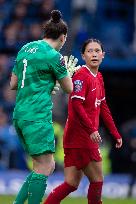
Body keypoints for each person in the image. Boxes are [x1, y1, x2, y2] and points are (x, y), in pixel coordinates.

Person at [44, 39, 123, 204]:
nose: (94, 54)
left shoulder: (98, 77)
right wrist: (91, 130)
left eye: (97, 51)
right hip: (82, 137)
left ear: (103, 55)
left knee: (71, 183)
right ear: (83, 55)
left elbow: (104, 107)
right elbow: (76, 105)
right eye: (89, 51)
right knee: (97, 180)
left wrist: (115, 132)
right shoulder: (81, 76)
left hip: (78, 137)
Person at [10, 10, 73, 204]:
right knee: (45, 167)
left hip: (20, 115)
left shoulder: (25, 48)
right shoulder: (54, 56)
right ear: (63, 38)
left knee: (44, 165)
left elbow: (13, 83)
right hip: (37, 115)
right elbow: (69, 88)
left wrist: (45, 83)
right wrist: (64, 74)